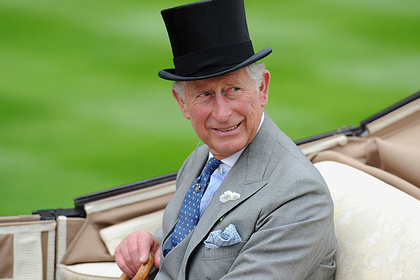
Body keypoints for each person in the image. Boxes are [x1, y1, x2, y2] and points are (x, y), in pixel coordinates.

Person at [115, 0, 337, 279]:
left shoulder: (299, 196)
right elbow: (186, 249)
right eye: (205, 94)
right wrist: (150, 244)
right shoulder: (200, 160)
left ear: (262, 88)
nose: (222, 114)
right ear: (182, 103)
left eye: (233, 89)